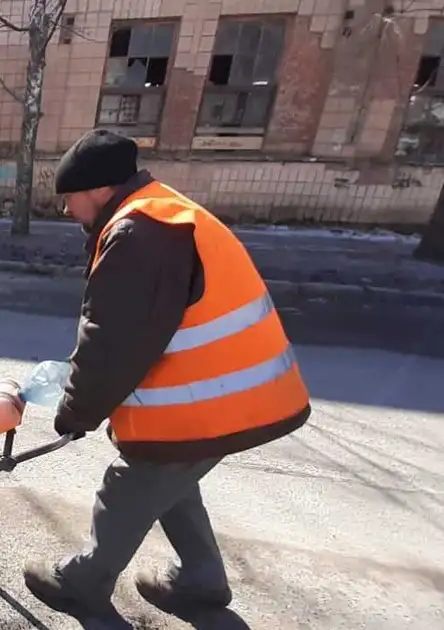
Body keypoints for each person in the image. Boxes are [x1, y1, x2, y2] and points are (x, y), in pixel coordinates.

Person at [22, 128, 312, 620]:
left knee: (131, 485)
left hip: (215, 401)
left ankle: (82, 582)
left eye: (69, 199)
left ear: (97, 189)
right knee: (172, 478)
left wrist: (76, 411)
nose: (66, 211)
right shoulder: (159, 210)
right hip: (237, 396)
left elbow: (113, 342)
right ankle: (201, 579)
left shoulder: (140, 234)